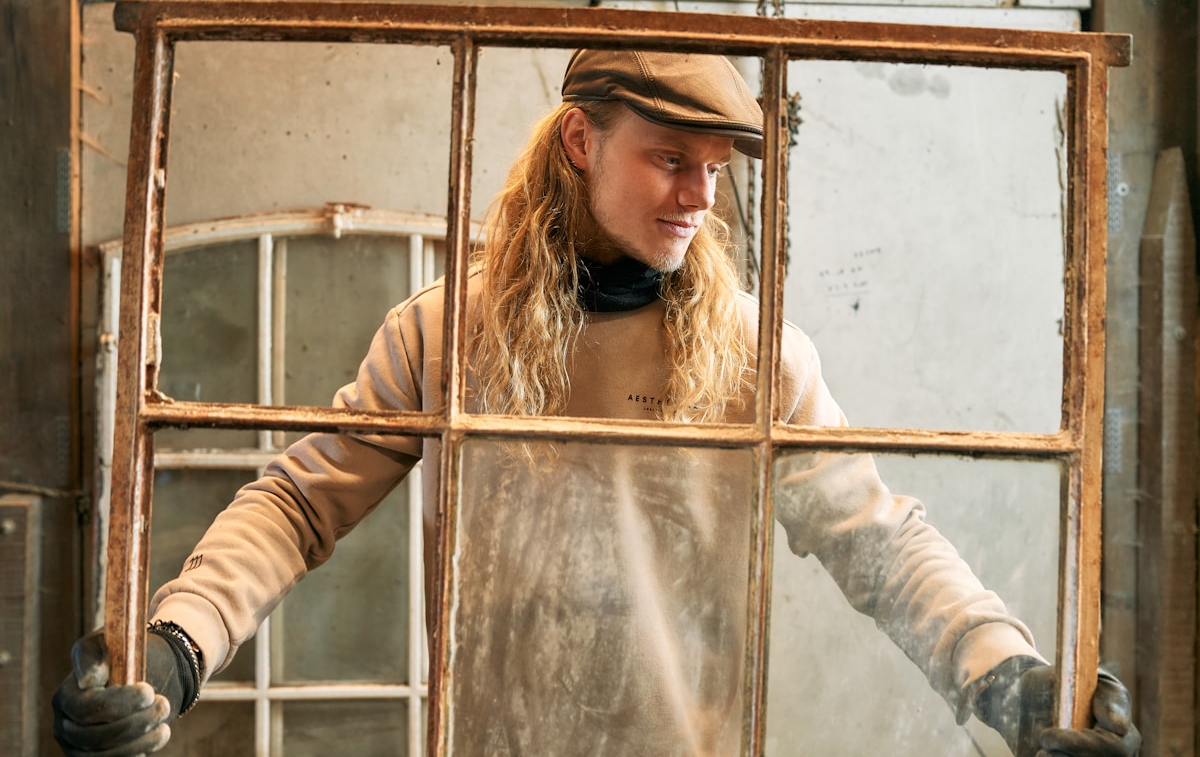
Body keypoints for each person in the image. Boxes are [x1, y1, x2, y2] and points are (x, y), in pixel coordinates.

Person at [53, 49, 1140, 756]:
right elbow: (301, 501)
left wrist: (1012, 679)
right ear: (581, 141)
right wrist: (172, 646)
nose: (698, 198)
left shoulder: (752, 354)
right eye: (671, 159)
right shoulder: (449, 330)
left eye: (715, 171)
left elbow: (880, 540)